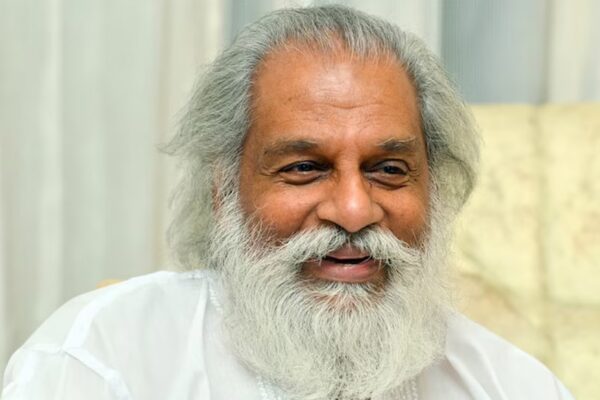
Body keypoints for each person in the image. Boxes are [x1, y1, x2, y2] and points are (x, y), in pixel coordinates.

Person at [2, 5, 574, 400]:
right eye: (304, 168)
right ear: (225, 191)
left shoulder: (511, 385)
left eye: (388, 170)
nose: (354, 210)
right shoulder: (102, 360)